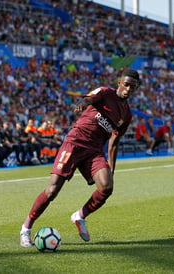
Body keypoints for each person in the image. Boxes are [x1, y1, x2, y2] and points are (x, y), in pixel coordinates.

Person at [20, 68, 141, 247]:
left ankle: (80, 216)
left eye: (133, 87)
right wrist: (85, 104)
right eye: (127, 85)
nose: (129, 89)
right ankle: (26, 229)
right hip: (75, 143)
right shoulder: (105, 93)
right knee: (52, 190)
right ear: (120, 83)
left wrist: (111, 167)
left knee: (107, 187)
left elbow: (114, 141)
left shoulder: (126, 114)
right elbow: (90, 98)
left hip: (94, 151)